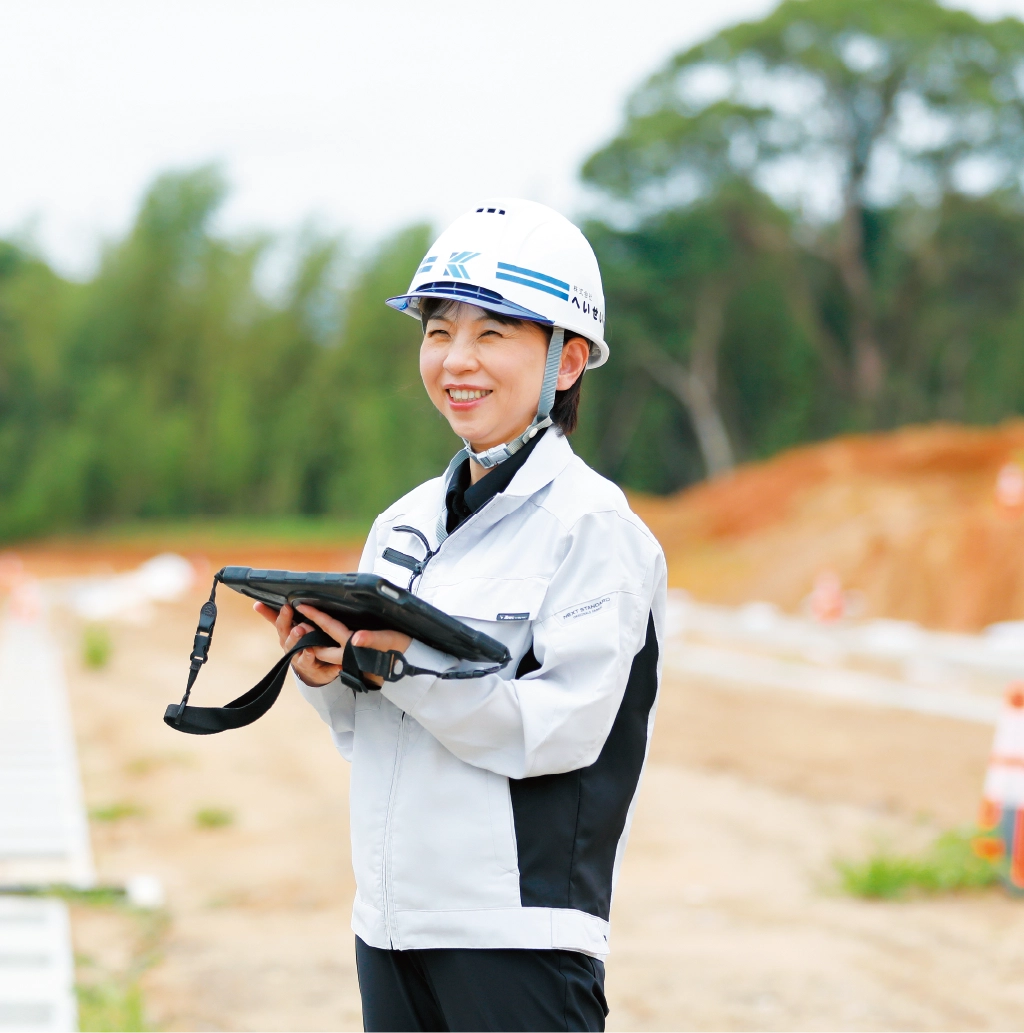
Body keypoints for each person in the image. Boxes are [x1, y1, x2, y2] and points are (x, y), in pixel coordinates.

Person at [255, 199, 666, 1033]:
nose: (456, 360)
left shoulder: (595, 529)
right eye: (438, 330)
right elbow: (365, 729)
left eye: (493, 333)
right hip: (392, 925)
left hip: (518, 939)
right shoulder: (403, 522)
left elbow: (559, 732)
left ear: (568, 359)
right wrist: (325, 669)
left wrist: (405, 667)